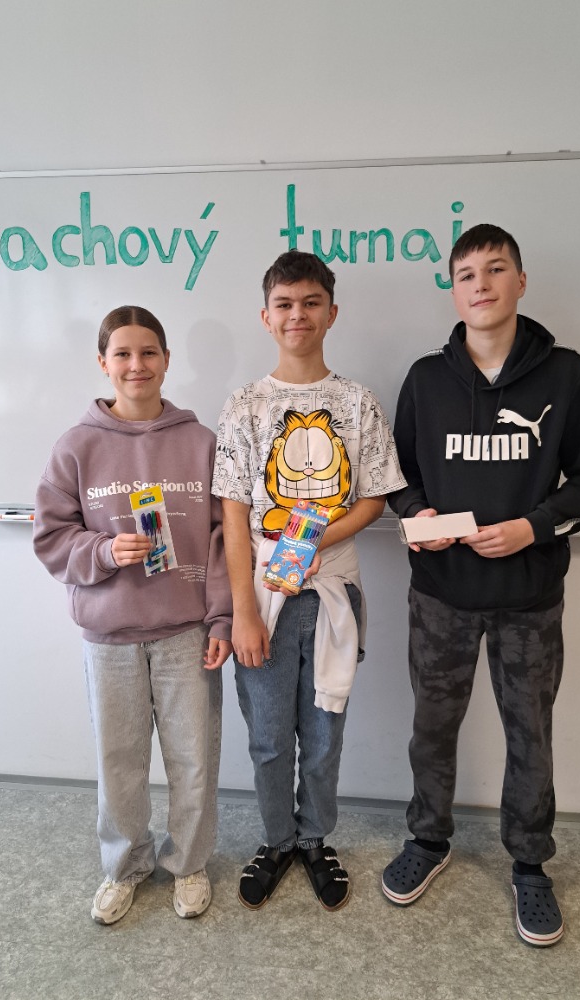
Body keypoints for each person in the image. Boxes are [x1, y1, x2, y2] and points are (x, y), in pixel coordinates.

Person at [382, 224, 580, 945]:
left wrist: (532, 528)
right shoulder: (426, 379)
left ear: (520, 280)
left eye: (495, 269)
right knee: (432, 726)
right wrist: (418, 514)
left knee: (530, 733)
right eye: (466, 274)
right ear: (452, 291)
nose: (480, 284)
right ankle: (428, 837)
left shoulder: (566, 374)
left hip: (529, 597)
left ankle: (530, 863)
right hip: (440, 594)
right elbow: (397, 476)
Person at [212, 250, 406, 911]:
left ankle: (316, 838)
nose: (298, 315)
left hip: (332, 588)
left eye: (311, 303)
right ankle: (276, 841)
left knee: (323, 735)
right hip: (264, 593)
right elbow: (233, 517)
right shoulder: (244, 406)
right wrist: (243, 611)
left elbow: (374, 498)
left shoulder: (357, 403)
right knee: (269, 737)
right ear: (266, 317)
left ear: (331, 313)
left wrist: (317, 537)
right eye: (285, 304)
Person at [33, 305, 232, 925]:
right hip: (110, 634)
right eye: (122, 353)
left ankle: (189, 863)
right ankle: (124, 866)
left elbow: (226, 539)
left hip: (187, 631)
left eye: (148, 352)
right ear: (103, 363)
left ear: (167, 360)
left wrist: (223, 619)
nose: (136, 365)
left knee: (194, 758)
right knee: (118, 760)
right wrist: (102, 551)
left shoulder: (201, 443)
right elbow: (50, 536)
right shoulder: (76, 446)